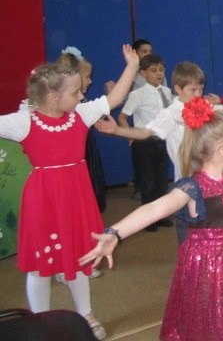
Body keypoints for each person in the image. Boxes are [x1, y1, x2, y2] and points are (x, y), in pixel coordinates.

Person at [79, 99, 223, 341]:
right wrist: (115, 232)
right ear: (222, 151)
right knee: (206, 311)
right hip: (205, 262)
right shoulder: (193, 187)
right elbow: (154, 209)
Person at [0, 45, 139, 340]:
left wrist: (132, 65)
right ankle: (39, 321)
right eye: (75, 92)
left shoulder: (80, 114)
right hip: (43, 200)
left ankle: (85, 314)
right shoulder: (24, 121)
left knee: (79, 257)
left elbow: (115, 98)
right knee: (39, 266)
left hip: (76, 199)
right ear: (53, 97)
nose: (81, 96)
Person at [97, 61, 223, 243]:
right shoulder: (171, 114)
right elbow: (145, 132)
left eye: (201, 89)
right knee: (189, 234)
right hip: (187, 180)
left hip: (211, 179)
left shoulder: (202, 106)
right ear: (178, 88)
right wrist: (117, 130)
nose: (198, 94)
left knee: (215, 227)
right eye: (193, 90)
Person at [55, 47, 105, 282]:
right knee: (65, 215)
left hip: (83, 157)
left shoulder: (82, 106)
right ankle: (65, 263)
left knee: (83, 211)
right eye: (87, 76)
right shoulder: (64, 108)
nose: (90, 81)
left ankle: (83, 255)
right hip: (66, 167)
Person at [117, 53, 173, 232]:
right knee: (148, 181)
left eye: (161, 70)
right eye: (153, 70)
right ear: (143, 73)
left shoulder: (167, 92)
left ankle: (161, 215)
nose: (159, 74)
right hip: (145, 142)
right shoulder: (137, 94)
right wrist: (130, 135)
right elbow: (122, 117)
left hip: (162, 140)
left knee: (162, 180)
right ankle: (149, 220)